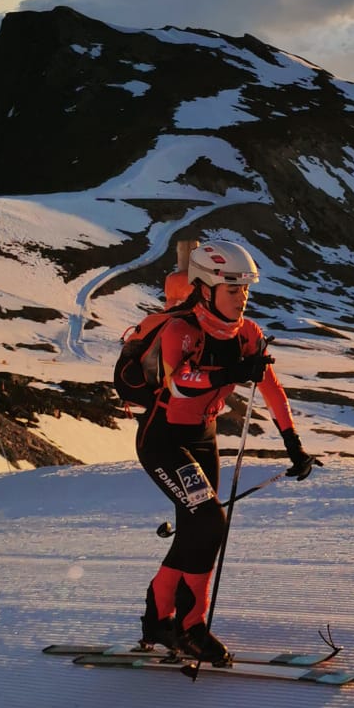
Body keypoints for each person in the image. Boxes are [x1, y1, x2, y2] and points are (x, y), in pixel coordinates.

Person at [134, 241, 317, 663]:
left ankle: (158, 620)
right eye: (233, 289)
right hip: (164, 440)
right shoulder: (181, 331)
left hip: (204, 437)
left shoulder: (246, 334)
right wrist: (233, 372)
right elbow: (180, 382)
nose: (242, 297)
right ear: (205, 289)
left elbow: (271, 388)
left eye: (245, 289)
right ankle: (190, 628)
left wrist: (293, 443)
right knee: (209, 522)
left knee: (197, 530)